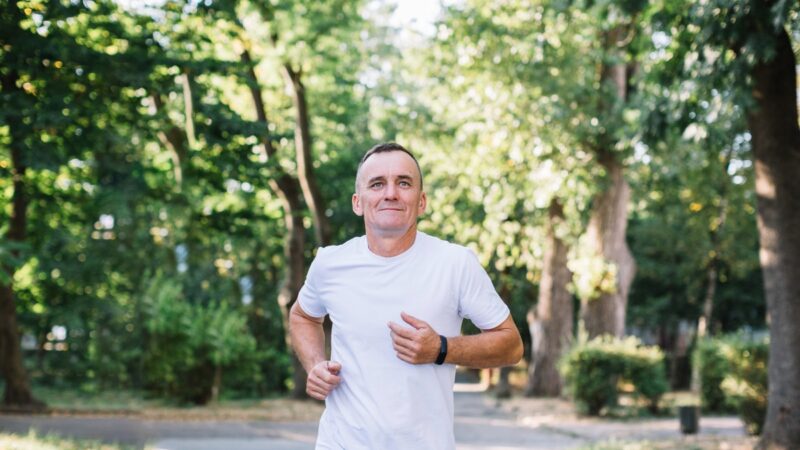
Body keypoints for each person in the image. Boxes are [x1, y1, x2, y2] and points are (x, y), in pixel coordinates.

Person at [289, 142, 524, 450]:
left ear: (421, 201)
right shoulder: (330, 263)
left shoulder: (455, 263)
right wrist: (315, 364)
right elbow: (303, 315)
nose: (390, 193)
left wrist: (440, 348)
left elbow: (511, 345)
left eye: (403, 183)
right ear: (358, 202)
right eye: (377, 184)